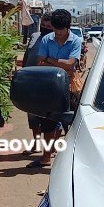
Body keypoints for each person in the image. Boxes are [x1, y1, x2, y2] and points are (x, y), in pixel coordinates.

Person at [31, 9, 81, 167]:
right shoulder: (47, 39)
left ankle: (74, 160)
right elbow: (40, 62)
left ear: (68, 26)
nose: (58, 33)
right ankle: (46, 157)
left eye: (61, 30)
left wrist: (49, 59)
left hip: (70, 86)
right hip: (49, 86)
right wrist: (61, 63)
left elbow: (71, 65)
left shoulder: (76, 41)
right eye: (55, 29)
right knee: (48, 122)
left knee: (73, 123)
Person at [24, 15, 58, 145]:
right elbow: (27, 55)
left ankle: (51, 147)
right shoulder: (34, 36)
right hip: (30, 81)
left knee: (50, 117)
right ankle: (36, 144)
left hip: (47, 83)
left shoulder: (55, 40)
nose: (45, 28)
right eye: (43, 25)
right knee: (32, 115)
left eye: (48, 27)